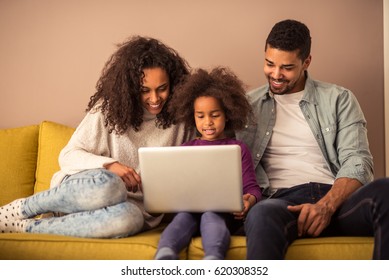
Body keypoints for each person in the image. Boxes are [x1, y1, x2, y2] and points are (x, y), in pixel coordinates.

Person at [0, 36, 193, 238]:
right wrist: (110, 165)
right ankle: (22, 208)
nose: (154, 99)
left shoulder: (181, 118)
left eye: (162, 89)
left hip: (124, 210)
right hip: (84, 193)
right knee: (112, 185)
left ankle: (24, 227)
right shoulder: (109, 110)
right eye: (144, 90)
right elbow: (67, 156)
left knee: (131, 219)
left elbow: (212, 145)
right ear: (130, 87)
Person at [236, 19, 389, 259]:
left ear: (306, 62)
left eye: (287, 67)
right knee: (261, 214)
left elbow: (358, 161)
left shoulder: (340, 99)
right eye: (269, 64)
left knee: (385, 190)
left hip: (336, 200)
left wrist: (326, 206)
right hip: (280, 202)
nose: (275, 74)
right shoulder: (245, 106)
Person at [154, 67, 262, 260]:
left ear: (227, 114)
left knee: (212, 215)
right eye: (200, 116)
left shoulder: (238, 148)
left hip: (224, 213)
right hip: (190, 210)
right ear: (192, 115)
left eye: (215, 115)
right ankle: (165, 254)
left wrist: (249, 201)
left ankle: (213, 258)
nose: (208, 122)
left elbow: (253, 188)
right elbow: (176, 188)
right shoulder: (184, 149)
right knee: (183, 218)